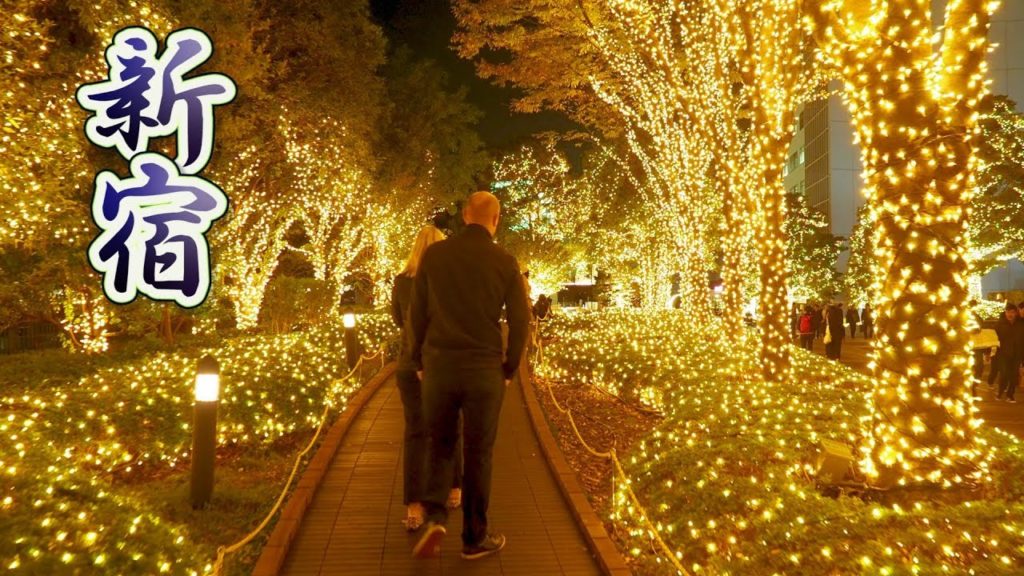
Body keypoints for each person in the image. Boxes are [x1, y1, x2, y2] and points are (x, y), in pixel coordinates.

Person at [409, 191, 530, 560]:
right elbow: (521, 319)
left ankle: (434, 515)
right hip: (484, 370)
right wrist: (509, 367)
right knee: (479, 453)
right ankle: (474, 538)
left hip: (440, 366)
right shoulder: (505, 261)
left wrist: (418, 359)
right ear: (497, 219)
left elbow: (418, 312)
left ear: (464, 216)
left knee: (440, 442)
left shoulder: (435, 255)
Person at [390, 225, 462, 532]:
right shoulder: (450, 281)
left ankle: (414, 507)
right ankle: (454, 488)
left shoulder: (401, 283)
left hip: (409, 365)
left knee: (415, 434)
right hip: (443, 364)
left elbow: (397, 319)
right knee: (449, 426)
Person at [995, 301, 1024, 402]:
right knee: (1004, 373)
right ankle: (1000, 392)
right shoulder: (1000, 324)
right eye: (1008, 312)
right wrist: (988, 352)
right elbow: (994, 338)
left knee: (1013, 375)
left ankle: (1010, 395)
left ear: (1016, 313)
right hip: (1003, 353)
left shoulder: (1021, 324)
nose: (1010, 314)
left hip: (1017, 354)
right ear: (1005, 312)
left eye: (1012, 312)